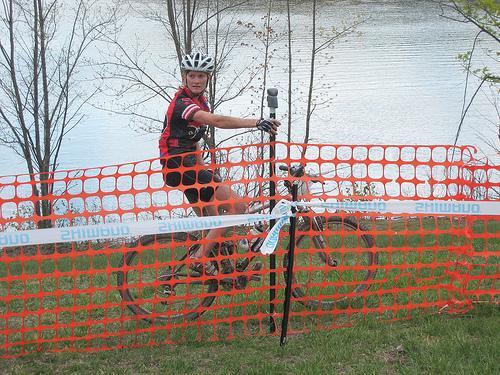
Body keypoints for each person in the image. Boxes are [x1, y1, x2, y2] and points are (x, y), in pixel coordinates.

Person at [159, 51, 280, 276]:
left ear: (208, 79)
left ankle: (220, 267)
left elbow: (193, 140)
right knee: (238, 208)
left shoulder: (199, 100)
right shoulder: (182, 103)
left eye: (201, 76)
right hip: (180, 167)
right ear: (184, 77)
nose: (196, 80)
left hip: (187, 168)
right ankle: (200, 259)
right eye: (192, 76)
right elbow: (216, 121)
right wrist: (256, 122)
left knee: (214, 222)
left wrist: (204, 167)